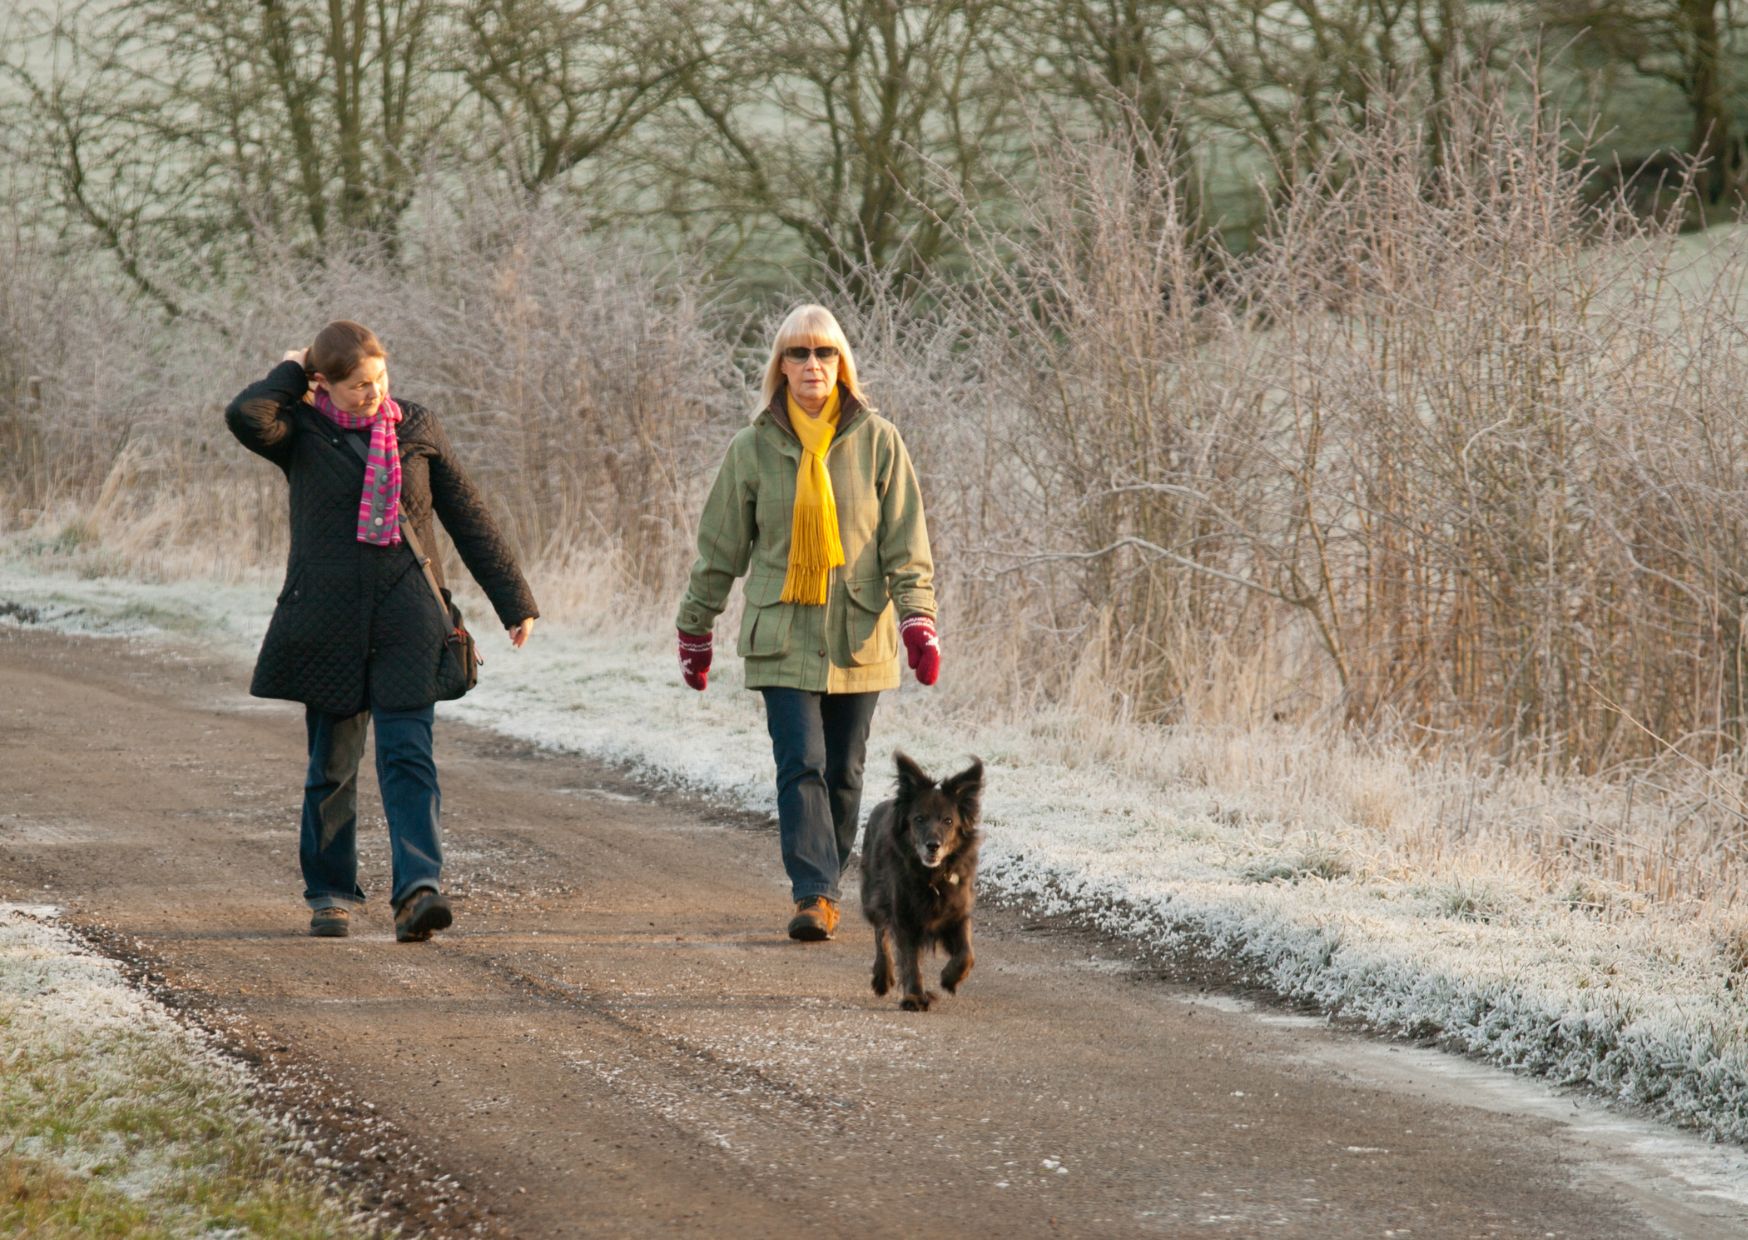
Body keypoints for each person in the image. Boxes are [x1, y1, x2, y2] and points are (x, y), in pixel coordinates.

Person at [225, 320, 538, 942]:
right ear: (324, 383)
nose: (373, 394)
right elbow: (246, 415)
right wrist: (291, 371)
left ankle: (418, 892)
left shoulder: (415, 426)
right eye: (358, 385)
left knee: (409, 758)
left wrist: (514, 600)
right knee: (333, 766)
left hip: (408, 618)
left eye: (380, 379)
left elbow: (467, 513)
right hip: (329, 622)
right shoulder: (299, 430)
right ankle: (330, 893)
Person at [675, 303, 940, 941]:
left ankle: (828, 879)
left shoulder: (879, 441)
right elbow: (720, 549)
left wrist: (917, 620)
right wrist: (695, 629)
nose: (812, 365)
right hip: (781, 630)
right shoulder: (752, 447)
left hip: (857, 632)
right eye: (798, 353)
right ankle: (814, 895)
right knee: (801, 761)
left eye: (823, 353)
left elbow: (906, 543)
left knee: (844, 769)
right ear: (781, 366)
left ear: (841, 364)